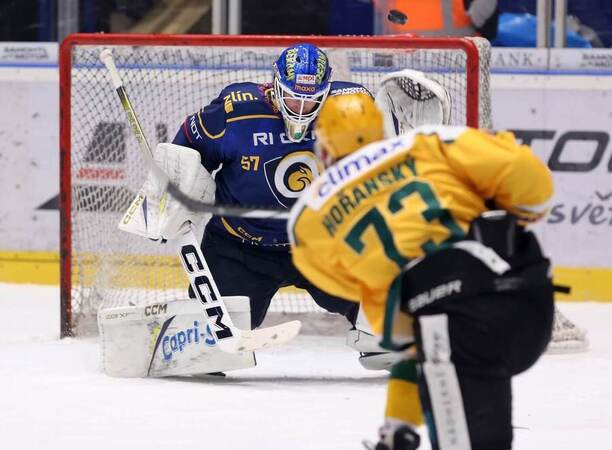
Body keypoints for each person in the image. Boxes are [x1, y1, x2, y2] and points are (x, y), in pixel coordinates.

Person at [288, 92, 555, 449]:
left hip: (448, 320)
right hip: (527, 299)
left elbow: (391, 324)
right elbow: (534, 184)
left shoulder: (308, 219)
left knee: (435, 341)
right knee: (448, 350)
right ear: (381, 130)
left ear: (324, 150)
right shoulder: (427, 141)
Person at [168, 43, 389, 364]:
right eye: (292, 96)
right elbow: (184, 149)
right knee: (205, 353)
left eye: (312, 98)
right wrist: (168, 196)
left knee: (392, 329)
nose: (301, 106)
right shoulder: (234, 112)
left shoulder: (353, 107)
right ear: (275, 84)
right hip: (241, 248)